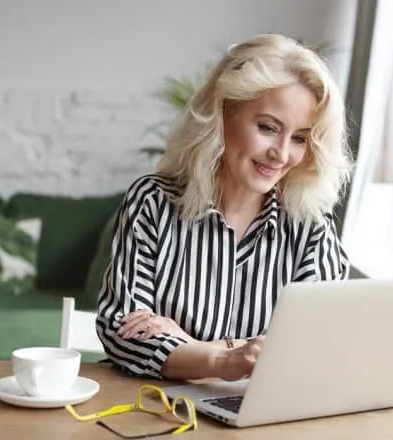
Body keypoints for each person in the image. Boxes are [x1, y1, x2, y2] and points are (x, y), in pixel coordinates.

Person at [96, 34, 353, 381]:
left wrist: (189, 344)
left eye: (299, 138)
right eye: (268, 128)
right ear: (222, 114)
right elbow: (123, 333)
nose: (280, 153)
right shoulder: (153, 202)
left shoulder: (311, 229)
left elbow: (315, 350)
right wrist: (225, 361)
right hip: (157, 415)